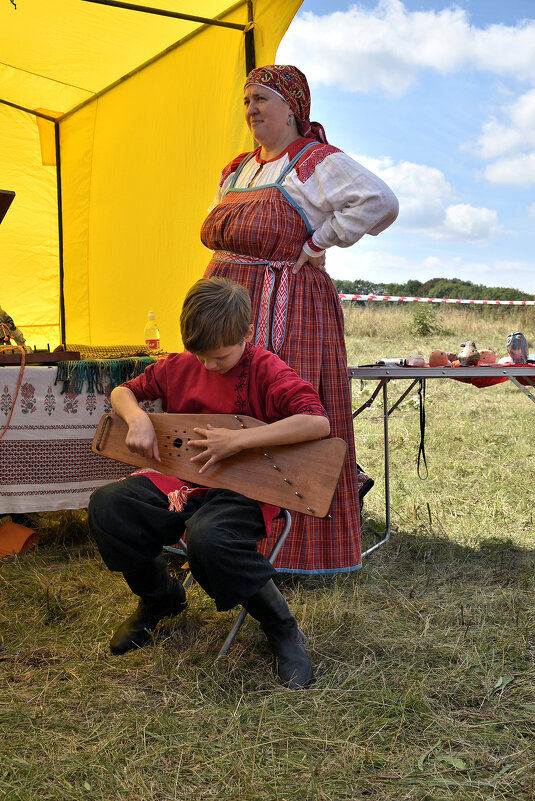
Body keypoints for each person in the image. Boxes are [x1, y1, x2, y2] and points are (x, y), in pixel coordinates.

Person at [201, 64, 399, 575]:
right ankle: (223, 536)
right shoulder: (236, 170)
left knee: (286, 409)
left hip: (289, 310)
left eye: (261, 99)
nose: (251, 110)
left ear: (292, 107)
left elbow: (380, 201)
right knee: (227, 410)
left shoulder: (315, 162)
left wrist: (317, 242)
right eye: (246, 100)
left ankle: (295, 550)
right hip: (227, 304)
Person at [88, 277, 330, 689]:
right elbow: (123, 392)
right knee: (109, 506)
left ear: (248, 334)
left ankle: (282, 629)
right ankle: (160, 599)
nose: (208, 366)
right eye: (199, 356)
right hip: (181, 482)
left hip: (242, 489)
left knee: (209, 539)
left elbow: (317, 421)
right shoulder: (181, 365)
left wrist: (240, 439)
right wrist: (138, 417)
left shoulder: (267, 370)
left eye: (219, 357)